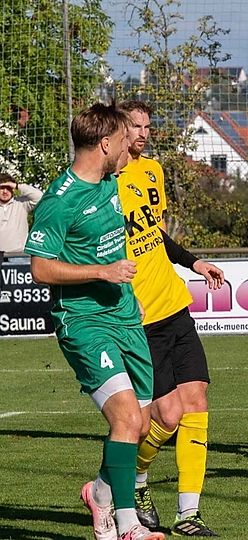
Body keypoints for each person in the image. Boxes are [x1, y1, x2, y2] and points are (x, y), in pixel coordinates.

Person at [24, 103, 164, 540]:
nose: (131, 146)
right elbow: (40, 269)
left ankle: (101, 492)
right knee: (125, 419)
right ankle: (128, 526)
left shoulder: (111, 181)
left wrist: (128, 292)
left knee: (139, 425)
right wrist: (101, 274)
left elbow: (113, 246)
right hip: (84, 321)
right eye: (124, 139)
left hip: (125, 316)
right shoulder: (59, 202)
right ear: (105, 143)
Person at [117, 100, 223, 536]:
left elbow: (155, 236)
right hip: (142, 320)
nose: (142, 133)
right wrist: (122, 296)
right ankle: (137, 483)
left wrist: (193, 262)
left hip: (175, 307)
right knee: (167, 417)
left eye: (147, 125)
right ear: (116, 132)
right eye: (134, 126)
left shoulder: (153, 171)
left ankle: (188, 514)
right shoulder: (105, 183)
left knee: (196, 402)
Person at [0, 172, 43, 257]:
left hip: (19, 255)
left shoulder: (22, 203)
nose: (5, 191)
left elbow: (40, 197)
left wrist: (17, 186)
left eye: (8, 188)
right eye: (2, 188)